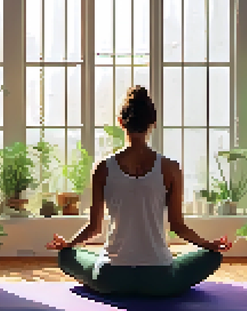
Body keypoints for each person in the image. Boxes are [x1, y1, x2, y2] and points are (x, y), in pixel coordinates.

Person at [45, 85, 233, 297]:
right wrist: (210, 244)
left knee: (66, 256)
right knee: (213, 257)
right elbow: (178, 227)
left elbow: (94, 228)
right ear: (152, 124)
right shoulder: (170, 168)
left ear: (120, 122)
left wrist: (68, 244)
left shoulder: (103, 167)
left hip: (111, 278)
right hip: (160, 279)